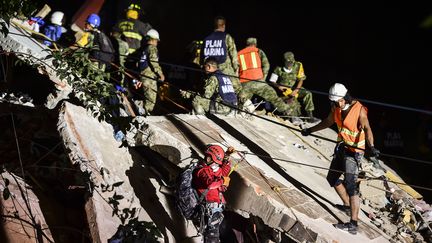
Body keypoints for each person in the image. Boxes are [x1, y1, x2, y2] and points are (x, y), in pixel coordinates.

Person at [301, 83, 380, 235]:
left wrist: (372, 146)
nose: (339, 104)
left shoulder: (359, 110)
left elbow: (367, 127)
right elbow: (328, 122)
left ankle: (354, 224)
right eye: (336, 102)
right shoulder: (336, 108)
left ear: (346, 97)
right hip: (342, 148)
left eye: (341, 100)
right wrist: (310, 130)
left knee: (351, 187)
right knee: (332, 178)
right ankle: (346, 205)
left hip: (355, 152)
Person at [237, 38, 295, 116]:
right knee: (273, 96)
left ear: (246, 44)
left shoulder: (239, 53)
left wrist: (238, 83)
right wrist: (263, 79)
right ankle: (286, 110)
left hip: (244, 83)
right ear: (255, 44)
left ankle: (240, 110)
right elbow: (266, 65)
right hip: (258, 81)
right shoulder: (258, 51)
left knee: (242, 101)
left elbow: (235, 70)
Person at [192, 144, 233, 243]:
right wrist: (222, 181)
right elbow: (210, 184)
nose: (207, 159)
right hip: (211, 209)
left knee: (226, 235)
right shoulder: (202, 171)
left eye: (210, 158)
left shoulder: (212, 170)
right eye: (207, 157)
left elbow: (223, 172)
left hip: (217, 209)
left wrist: (226, 158)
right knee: (212, 238)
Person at [269, 51, 318, 123]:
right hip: (284, 90)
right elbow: (272, 81)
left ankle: (310, 116)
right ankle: (294, 117)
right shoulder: (278, 68)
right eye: (287, 63)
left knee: (308, 93)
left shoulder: (298, 65)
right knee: (291, 100)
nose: (289, 65)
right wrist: (278, 86)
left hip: (295, 88)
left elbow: (301, 79)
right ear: (284, 61)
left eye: (291, 63)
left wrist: (297, 89)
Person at [202, 16, 241, 94]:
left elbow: (201, 58)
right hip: (225, 70)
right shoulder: (227, 37)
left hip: (209, 70)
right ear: (224, 26)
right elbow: (233, 55)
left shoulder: (206, 39)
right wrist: (236, 70)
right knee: (238, 88)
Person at [134, 29, 165, 115]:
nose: (157, 43)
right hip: (149, 77)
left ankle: (142, 109)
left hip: (143, 75)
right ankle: (143, 112)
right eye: (157, 41)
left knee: (148, 97)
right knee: (151, 101)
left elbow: (138, 64)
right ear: (153, 39)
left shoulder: (144, 49)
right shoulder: (152, 48)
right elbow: (154, 62)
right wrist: (160, 74)